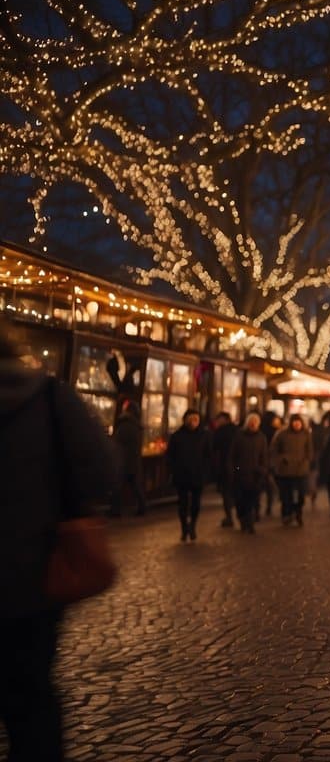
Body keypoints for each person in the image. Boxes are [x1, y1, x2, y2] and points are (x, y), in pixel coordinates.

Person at [1, 320, 115, 760]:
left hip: (33, 577)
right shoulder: (50, 398)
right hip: (34, 576)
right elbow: (102, 469)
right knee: (31, 702)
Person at [166, 409, 211, 542]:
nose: (193, 422)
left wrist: (205, 472)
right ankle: (184, 528)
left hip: (198, 475)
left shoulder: (204, 436)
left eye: (196, 419)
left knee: (196, 504)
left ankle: (193, 526)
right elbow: (170, 456)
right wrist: (174, 470)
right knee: (182, 504)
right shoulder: (177, 436)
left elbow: (208, 456)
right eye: (191, 419)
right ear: (185, 420)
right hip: (182, 475)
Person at [271, 414, 314, 527]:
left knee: (301, 494)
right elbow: (274, 450)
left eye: (298, 422)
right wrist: (281, 459)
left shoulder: (306, 434)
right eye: (294, 422)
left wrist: (307, 460)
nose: (296, 424)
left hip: (301, 470)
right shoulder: (282, 434)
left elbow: (310, 450)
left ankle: (298, 512)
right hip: (285, 470)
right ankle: (286, 514)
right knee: (286, 495)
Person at [230, 413, 269, 534]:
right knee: (241, 500)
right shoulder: (239, 436)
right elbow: (233, 455)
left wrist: (263, 470)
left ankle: (250, 523)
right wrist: (235, 470)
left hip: (255, 475)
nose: (253, 424)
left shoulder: (261, 437)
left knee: (252, 500)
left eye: (255, 422)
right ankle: (242, 519)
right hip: (240, 474)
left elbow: (264, 456)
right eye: (251, 422)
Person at [111, 397, 146, 517]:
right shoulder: (137, 426)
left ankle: (115, 511)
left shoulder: (125, 425)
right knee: (135, 485)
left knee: (117, 486)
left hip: (123, 459)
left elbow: (117, 442)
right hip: (133, 460)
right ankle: (142, 507)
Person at [211, 412, 238, 527]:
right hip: (237, 466)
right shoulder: (237, 431)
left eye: (219, 419)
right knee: (234, 491)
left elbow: (214, 449)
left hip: (224, 466)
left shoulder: (219, 432)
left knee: (226, 492)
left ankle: (229, 516)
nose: (217, 422)